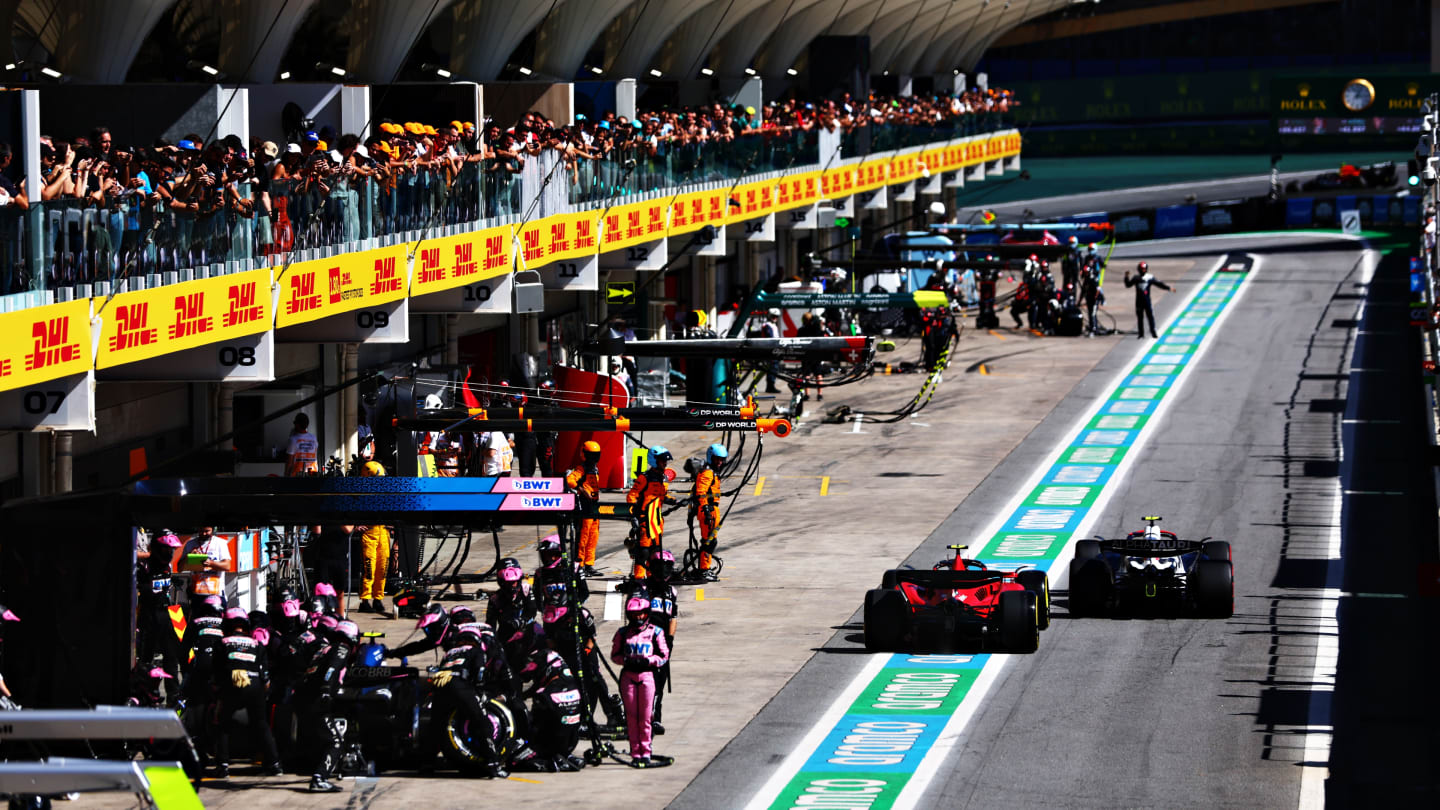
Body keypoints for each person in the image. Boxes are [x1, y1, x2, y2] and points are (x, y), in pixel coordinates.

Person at [211, 609, 283, 778]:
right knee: (261, 724)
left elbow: (216, 674)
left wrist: (217, 695)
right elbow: (265, 676)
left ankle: (222, 765)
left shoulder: (222, 643)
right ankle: (275, 764)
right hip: (254, 684)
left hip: (232, 682)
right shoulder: (256, 644)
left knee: (222, 724)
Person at [610, 596, 669, 767]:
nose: (638, 617)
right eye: (634, 614)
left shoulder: (655, 631)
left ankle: (646, 751)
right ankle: (635, 752)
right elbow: (615, 655)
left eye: (641, 613)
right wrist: (626, 661)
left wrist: (649, 661)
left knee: (645, 717)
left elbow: (664, 655)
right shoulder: (622, 633)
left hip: (647, 677)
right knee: (631, 717)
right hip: (628, 677)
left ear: (647, 613)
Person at [515, 649, 585, 772]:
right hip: (571, 743)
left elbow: (535, 726)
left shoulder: (543, 695)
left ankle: (551, 762)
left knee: (515, 760)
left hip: (549, 746)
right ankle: (565, 756)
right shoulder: (575, 688)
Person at [136, 531, 184, 688]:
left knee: (172, 657)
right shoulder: (144, 565)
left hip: (170, 612)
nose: (169, 553)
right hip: (149, 614)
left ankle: (174, 697)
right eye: (166, 549)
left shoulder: (168, 565)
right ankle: (144, 692)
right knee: (145, 657)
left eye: (171, 550)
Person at [626, 446, 678, 579]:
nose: (665, 463)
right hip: (645, 520)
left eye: (665, 461)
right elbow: (632, 496)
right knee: (643, 552)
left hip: (657, 520)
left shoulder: (662, 479)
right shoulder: (644, 478)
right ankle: (638, 579)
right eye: (662, 461)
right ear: (654, 460)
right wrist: (633, 516)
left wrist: (673, 501)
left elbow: (661, 496)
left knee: (656, 551)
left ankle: (652, 577)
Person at [644, 550, 679, 735]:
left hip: (663, 642)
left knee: (660, 682)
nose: (663, 571)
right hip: (644, 641)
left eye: (667, 567)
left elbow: (673, 617)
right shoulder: (643, 589)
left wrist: (670, 639)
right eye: (659, 567)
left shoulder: (672, 592)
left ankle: (655, 718)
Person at [356, 461, 392, 615]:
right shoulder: (359, 494)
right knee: (369, 569)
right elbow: (352, 513)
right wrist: (357, 525)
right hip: (369, 534)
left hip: (383, 532)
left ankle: (378, 599)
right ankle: (365, 600)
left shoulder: (383, 493)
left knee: (382, 569)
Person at [565, 441, 603, 577]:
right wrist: (581, 489)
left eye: (596, 455)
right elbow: (569, 480)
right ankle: (579, 564)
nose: (594, 458)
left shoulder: (596, 469)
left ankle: (589, 564)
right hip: (584, 506)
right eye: (592, 455)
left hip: (595, 507)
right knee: (583, 537)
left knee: (593, 536)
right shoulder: (581, 469)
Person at [689, 444, 726, 581]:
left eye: (721, 459)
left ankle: (705, 567)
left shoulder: (712, 472)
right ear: (711, 458)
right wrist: (706, 509)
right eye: (717, 459)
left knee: (710, 541)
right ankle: (704, 569)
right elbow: (700, 492)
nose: (719, 462)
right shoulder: (708, 473)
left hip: (712, 509)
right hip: (708, 511)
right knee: (708, 541)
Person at [1124, 261, 1171, 339]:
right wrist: (1126, 277)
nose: (1143, 270)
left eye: (1144, 269)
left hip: (1147, 301)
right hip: (1139, 301)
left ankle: (1153, 331)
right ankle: (1141, 333)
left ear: (1146, 269)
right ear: (1139, 269)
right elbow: (1128, 285)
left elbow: (1159, 284)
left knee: (1150, 316)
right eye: (1141, 269)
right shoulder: (1136, 278)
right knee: (1140, 317)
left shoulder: (1149, 277)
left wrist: (1168, 288)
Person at [185, 527, 230, 604]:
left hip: (216, 594)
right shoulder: (190, 544)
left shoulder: (220, 543)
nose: (203, 534)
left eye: (207, 531)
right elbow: (180, 568)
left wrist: (211, 563)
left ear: (213, 530)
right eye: (201, 531)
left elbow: (227, 566)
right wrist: (189, 557)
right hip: (196, 594)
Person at [759, 310, 782, 392]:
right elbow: (770, 337)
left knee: (774, 367)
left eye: (776, 316)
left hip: (774, 349)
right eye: (773, 316)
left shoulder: (773, 325)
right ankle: (770, 386)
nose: (775, 318)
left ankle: (771, 385)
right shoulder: (767, 325)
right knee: (772, 367)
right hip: (770, 350)